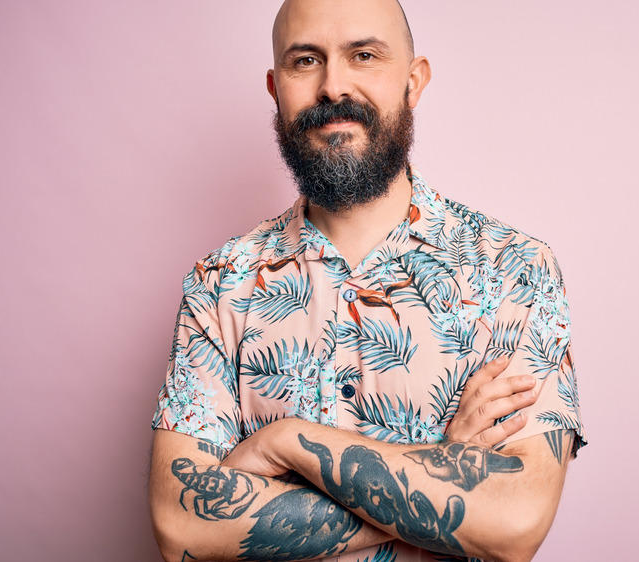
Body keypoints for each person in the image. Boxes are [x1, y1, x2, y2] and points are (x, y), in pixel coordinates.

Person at [148, 1, 586, 560]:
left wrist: (286, 444)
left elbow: (515, 520)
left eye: (364, 55)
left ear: (414, 80)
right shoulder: (217, 286)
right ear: (275, 87)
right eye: (306, 60)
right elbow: (181, 526)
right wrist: (441, 466)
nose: (334, 86)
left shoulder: (515, 271)